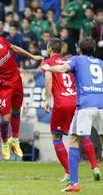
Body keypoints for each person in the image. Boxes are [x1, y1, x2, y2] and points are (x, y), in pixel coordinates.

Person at [42, 37, 103, 192]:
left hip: (84, 105)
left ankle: (73, 181)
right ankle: (94, 168)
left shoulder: (76, 60)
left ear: (79, 49)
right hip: (101, 104)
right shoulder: (101, 63)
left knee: (74, 139)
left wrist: (49, 68)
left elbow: (61, 69)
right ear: (94, 49)